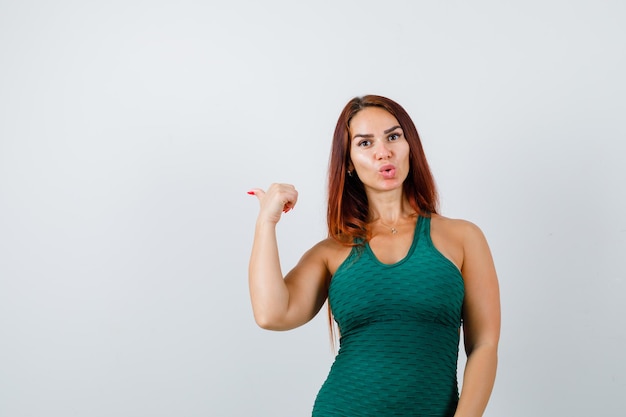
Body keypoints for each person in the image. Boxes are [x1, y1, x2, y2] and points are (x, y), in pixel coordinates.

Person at [247, 95, 500, 417]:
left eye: (393, 136)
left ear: (410, 146)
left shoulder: (463, 237)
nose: (384, 151)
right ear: (349, 162)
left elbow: (484, 346)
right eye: (365, 143)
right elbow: (272, 315)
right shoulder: (332, 252)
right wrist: (266, 223)